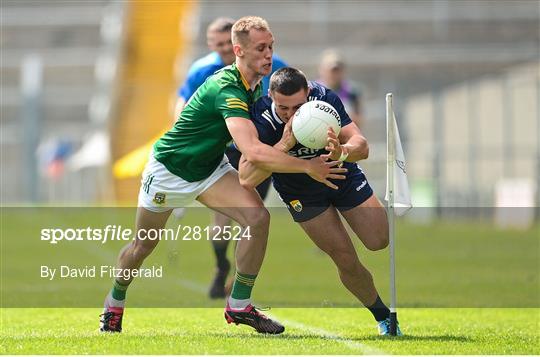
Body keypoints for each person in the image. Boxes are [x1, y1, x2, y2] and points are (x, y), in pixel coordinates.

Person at [99, 16, 346, 335]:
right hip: (169, 170)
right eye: (260, 48)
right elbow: (253, 151)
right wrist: (308, 166)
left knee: (257, 219)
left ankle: (239, 305)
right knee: (143, 245)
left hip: (210, 169)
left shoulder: (259, 82)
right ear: (238, 50)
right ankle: (114, 303)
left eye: (271, 46)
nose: (268, 54)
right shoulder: (225, 87)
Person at [238, 67, 402, 336]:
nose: (291, 115)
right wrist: (285, 143)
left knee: (379, 239)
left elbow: (361, 146)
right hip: (301, 193)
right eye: (283, 108)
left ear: (309, 94)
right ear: (270, 96)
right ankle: (384, 317)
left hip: (341, 175)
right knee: (345, 259)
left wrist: (343, 151)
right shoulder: (259, 115)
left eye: (298, 107)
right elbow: (247, 176)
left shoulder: (325, 98)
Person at [172, 17, 288, 299]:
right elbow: (183, 105)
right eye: (219, 45)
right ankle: (221, 265)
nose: (224, 49)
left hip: (257, 148)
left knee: (253, 214)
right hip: (224, 151)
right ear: (213, 45)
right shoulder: (204, 70)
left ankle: (236, 282)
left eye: (228, 43)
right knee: (223, 218)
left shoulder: (273, 64)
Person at [317, 49, 365, 129]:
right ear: (321, 70)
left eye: (337, 71)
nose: (334, 74)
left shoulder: (352, 92)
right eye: (331, 71)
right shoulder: (312, 90)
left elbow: (358, 119)